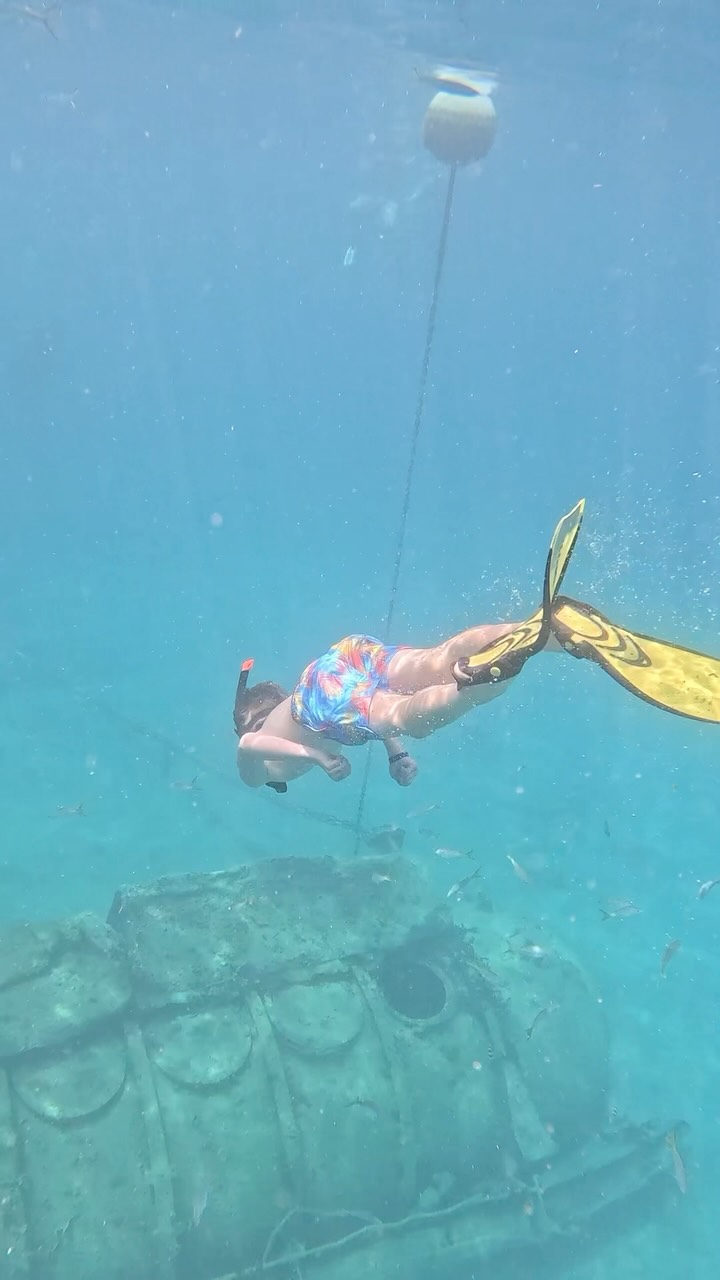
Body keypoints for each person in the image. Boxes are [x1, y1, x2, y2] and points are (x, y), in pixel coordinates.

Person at [235, 499, 720, 792]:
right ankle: (548, 634)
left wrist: (318, 759)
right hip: (341, 659)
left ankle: (478, 682)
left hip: (322, 697)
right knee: (429, 663)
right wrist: (394, 755)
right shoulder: (300, 703)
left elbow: (252, 744)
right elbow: (356, 705)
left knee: (402, 714)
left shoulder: (259, 767)